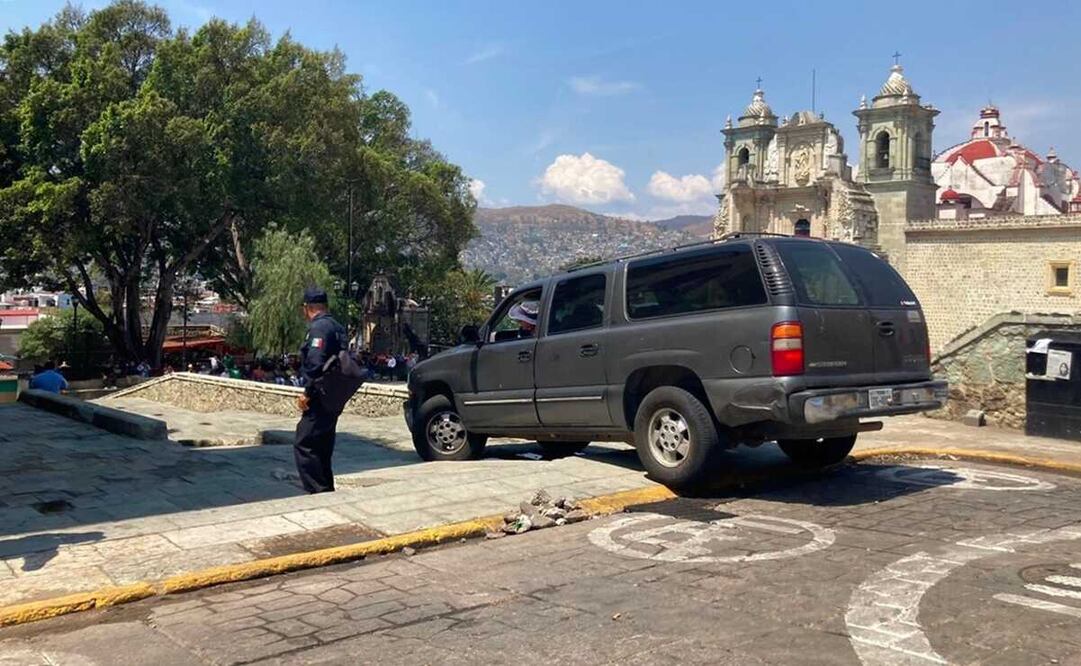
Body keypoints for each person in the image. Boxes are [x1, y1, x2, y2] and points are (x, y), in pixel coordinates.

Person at [293, 286, 347, 493]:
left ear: (307, 307)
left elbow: (316, 362)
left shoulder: (319, 328)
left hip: (320, 395)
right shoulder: (336, 326)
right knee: (323, 445)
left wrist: (306, 393)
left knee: (305, 443)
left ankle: (318, 490)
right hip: (334, 395)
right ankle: (326, 487)